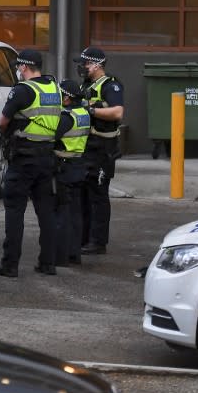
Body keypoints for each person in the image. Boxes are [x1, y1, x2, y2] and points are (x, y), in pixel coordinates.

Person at [0, 49, 65, 278]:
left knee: (15, 211)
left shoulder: (23, 90)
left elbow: (3, 122)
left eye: (18, 67)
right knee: (46, 213)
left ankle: (10, 265)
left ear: (24, 67)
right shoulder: (54, 88)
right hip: (47, 157)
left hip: (24, 158)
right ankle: (48, 263)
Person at [75, 46, 124, 255]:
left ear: (96, 64)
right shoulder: (87, 85)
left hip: (103, 149)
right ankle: (83, 238)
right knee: (83, 195)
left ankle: (98, 242)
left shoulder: (110, 86)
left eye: (85, 63)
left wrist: (91, 110)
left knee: (98, 195)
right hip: (87, 147)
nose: (82, 67)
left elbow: (117, 113)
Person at [54, 79, 91, 267]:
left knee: (62, 213)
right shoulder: (83, 113)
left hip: (64, 166)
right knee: (76, 212)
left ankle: (61, 256)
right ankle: (74, 253)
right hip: (78, 165)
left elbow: (52, 136)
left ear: (67, 98)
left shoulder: (67, 117)